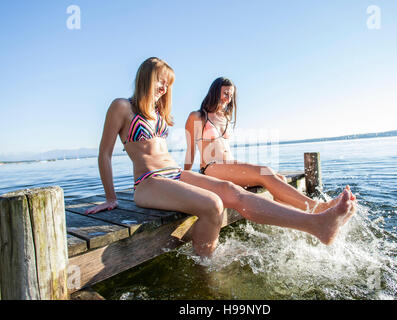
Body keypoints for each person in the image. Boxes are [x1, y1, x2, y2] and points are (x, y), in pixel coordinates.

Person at [86, 57, 357, 258]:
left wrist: (186, 174)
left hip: (175, 174)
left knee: (232, 191)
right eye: (160, 81)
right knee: (213, 203)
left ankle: (316, 224)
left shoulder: (157, 113)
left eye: (167, 85)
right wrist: (111, 197)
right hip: (149, 181)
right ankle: (205, 266)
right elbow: (105, 154)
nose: (164, 89)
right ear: (145, 76)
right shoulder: (121, 107)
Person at [184, 77, 346, 213]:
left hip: (229, 166)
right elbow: (190, 151)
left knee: (280, 178)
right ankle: (317, 208)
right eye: (226, 93)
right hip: (212, 168)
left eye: (231, 95)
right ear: (215, 91)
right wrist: (184, 178)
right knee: (265, 172)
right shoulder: (198, 116)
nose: (228, 98)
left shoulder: (225, 118)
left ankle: (293, 223)